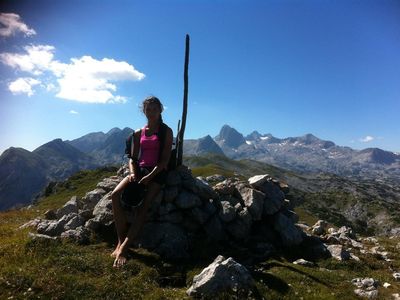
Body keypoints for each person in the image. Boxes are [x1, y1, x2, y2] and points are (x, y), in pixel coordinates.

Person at [110, 96, 173, 268]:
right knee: (115, 195)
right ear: (143, 111)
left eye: (154, 109)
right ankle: (120, 241)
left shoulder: (166, 131)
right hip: (139, 171)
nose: (151, 112)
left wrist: (149, 177)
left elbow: (165, 161)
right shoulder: (138, 133)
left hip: (157, 173)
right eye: (148, 109)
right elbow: (132, 158)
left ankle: (123, 249)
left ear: (160, 110)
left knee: (143, 207)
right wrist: (132, 174)